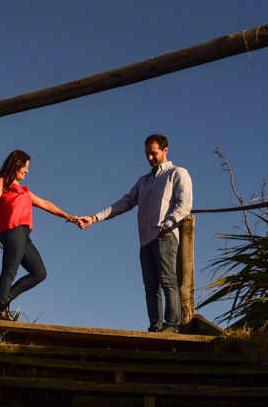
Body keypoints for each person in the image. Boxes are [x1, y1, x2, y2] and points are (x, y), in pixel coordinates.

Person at [76, 134, 192, 333]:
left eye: (153, 153)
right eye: (146, 154)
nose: (149, 158)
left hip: (164, 236)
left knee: (168, 280)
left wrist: (167, 225)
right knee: (150, 287)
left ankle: (172, 326)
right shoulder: (143, 181)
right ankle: (155, 328)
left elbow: (185, 203)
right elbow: (124, 203)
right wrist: (94, 218)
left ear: (165, 150)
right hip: (145, 240)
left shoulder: (177, 173)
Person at [0, 150, 78, 320]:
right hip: (12, 230)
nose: (27, 170)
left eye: (27, 167)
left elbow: (44, 203)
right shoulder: (4, 181)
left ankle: (3, 299)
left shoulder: (24, 191)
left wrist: (66, 216)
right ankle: (0, 310)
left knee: (39, 273)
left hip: (24, 234)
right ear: (15, 165)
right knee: (10, 271)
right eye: (25, 166)